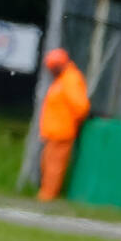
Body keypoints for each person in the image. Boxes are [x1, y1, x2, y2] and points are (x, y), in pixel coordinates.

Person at [37, 47, 90, 201]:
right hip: (54, 132)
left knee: (55, 167)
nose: (51, 71)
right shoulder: (62, 79)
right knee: (47, 165)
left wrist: (71, 122)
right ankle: (45, 193)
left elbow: (81, 106)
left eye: (52, 67)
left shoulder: (71, 79)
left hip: (62, 131)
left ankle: (48, 196)